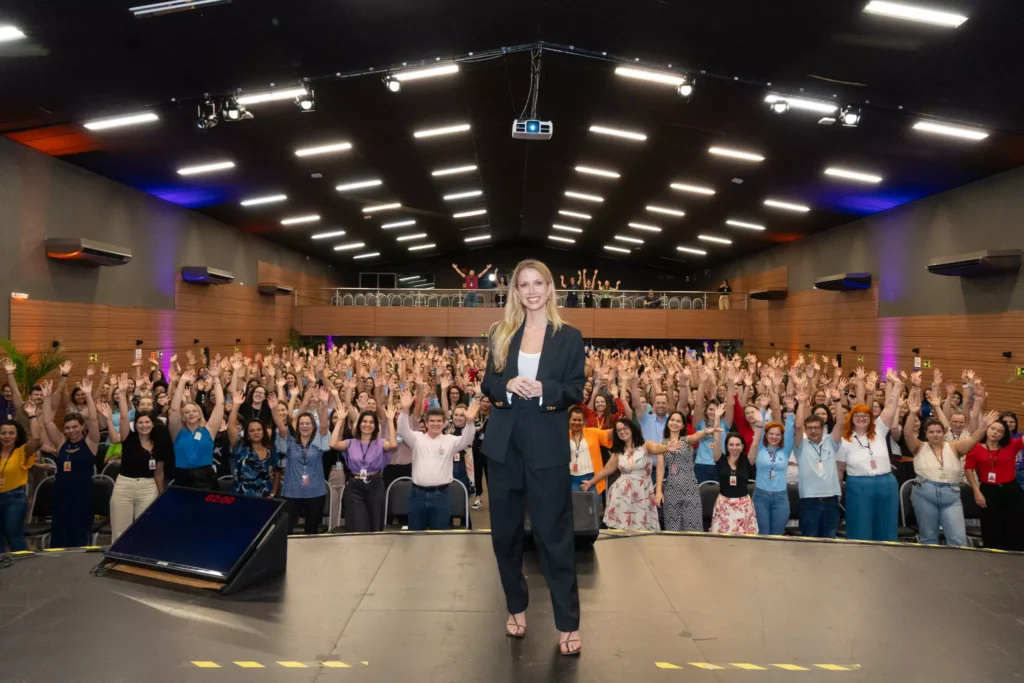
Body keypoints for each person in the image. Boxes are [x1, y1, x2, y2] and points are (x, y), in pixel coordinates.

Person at [479, 258, 586, 656]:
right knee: (505, 535)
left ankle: (568, 623)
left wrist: (544, 390)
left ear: (550, 287)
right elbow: (488, 382)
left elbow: (575, 388)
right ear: (516, 292)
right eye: (523, 284)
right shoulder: (500, 332)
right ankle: (515, 606)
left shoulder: (569, 336)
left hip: (547, 445)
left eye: (537, 283)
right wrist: (507, 385)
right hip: (504, 445)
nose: (531, 291)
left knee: (553, 536)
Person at [904, 398, 995, 547]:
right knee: (928, 537)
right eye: (931, 432)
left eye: (938, 432)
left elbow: (973, 439)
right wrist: (912, 414)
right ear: (925, 434)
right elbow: (908, 435)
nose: (935, 435)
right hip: (924, 494)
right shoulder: (919, 447)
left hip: (951, 495)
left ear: (944, 433)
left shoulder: (954, 447)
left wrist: (984, 427)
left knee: (958, 539)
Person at [396, 388, 478, 530]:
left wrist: (470, 423)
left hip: (441, 496)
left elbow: (467, 440)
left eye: (439, 421)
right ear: (426, 423)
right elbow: (402, 431)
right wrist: (404, 411)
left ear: (444, 423)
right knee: (415, 536)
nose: (435, 424)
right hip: (417, 495)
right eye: (432, 421)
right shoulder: (416, 438)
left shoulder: (450, 440)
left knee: (440, 537)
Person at [836, 370, 903, 542]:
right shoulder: (844, 440)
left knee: (886, 525)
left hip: (886, 483)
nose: (861, 418)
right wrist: (837, 491)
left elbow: (890, 408)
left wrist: (896, 386)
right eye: (857, 415)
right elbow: (839, 469)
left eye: (865, 415)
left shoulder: (879, 429)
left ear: (870, 418)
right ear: (851, 418)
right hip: (859, 486)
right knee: (860, 526)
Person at [582, 418, 680, 531]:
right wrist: (590, 482)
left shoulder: (645, 446)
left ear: (632, 429)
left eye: (625, 428)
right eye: (618, 430)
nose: (622, 432)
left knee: (643, 529)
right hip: (621, 495)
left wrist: (666, 448)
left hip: (642, 494)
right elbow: (605, 470)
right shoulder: (619, 452)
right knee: (622, 530)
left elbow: (656, 448)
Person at [105, 375, 168, 540]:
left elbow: (159, 472)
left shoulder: (158, 444)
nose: (144, 425)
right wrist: (122, 393)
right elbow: (124, 417)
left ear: (153, 424)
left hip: (148, 487)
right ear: (136, 425)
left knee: (146, 528)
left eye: (147, 422)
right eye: (140, 422)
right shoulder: (129, 438)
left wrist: (161, 492)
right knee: (120, 529)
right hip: (124, 486)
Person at [41, 379, 100, 548]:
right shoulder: (61, 442)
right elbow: (47, 422)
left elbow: (93, 420)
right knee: (60, 531)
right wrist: (47, 398)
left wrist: (88, 395)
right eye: (67, 428)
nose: (71, 431)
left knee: (79, 531)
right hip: (61, 493)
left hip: (82, 494)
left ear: (82, 426)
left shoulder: (91, 442)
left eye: (74, 427)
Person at [271, 388, 331, 534]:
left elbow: (324, 425)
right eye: (302, 423)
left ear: (313, 426)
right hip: (292, 492)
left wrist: (324, 404)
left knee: (312, 531)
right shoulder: (290, 442)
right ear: (297, 426)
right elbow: (282, 429)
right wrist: (273, 410)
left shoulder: (318, 441)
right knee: (286, 531)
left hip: (315, 492)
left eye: (308, 423)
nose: (305, 426)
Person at [329, 407, 398, 532]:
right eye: (364, 421)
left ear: (375, 426)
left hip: (375, 485)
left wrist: (390, 420)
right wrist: (340, 421)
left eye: (371, 422)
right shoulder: (350, 443)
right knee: (357, 524)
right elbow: (333, 444)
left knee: (375, 524)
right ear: (359, 424)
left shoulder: (381, 443)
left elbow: (393, 445)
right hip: (355, 486)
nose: (367, 424)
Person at [792, 384, 846, 538]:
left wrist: (837, 401)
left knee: (829, 540)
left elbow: (841, 424)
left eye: (816, 427)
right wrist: (801, 403)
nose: (813, 431)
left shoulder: (830, 442)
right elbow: (797, 426)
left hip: (831, 499)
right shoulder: (800, 445)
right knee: (810, 540)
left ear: (823, 429)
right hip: (809, 500)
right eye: (809, 428)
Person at [964, 416, 1024, 550]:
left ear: (1004, 435)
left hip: (1011, 490)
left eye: (1000, 431)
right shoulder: (975, 448)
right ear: (987, 429)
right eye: (993, 428)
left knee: (1015, 526)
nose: (995, 432)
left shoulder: (1011, 445)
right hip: (988, 490)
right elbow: (968, 469)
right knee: (991, 527)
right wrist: (976, 491)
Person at [169, 368, 225, 490]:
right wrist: (182, 382)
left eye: (194, 411)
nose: (191, 414)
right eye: (187, 412)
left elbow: (220, 405)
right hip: (182, 478)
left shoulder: (209, 430)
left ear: (199, 414)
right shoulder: (177, 431)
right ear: (183, 417)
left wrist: (216, 378)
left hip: (206, 479)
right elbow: (174, 410)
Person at [661, 410, 711, 532]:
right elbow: (660, 468)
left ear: (683, 425)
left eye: (678, 421)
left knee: (693, 527)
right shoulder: (662, 443)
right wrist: (658, 492)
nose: (675, 423)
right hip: (671, 488)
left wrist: (705, 432)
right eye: (672, 420)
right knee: (672, 528)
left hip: (690, 488)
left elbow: (695, 436)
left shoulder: (686, 440)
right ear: (668, 423)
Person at [0, 407, 43, 551]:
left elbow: (36, 439)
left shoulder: (21, 452)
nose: (7, 436)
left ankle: (23, 563)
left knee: (13, 535)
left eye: (11, 433)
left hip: (14, 499)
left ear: (17, 436)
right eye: (3, 433)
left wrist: (32, 415)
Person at [749, 411, 797, 536]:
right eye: (771, 433)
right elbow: (759, 432)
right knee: (763, 534)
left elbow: (790, 433)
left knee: (777, 534)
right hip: (760, 497)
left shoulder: (785, 450)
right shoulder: (760, 448)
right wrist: (762, 410)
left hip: (780, 498)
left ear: (781, 437)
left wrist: (790, 413)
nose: (774, 437)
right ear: (766, 435)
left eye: (777, 434)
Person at [227, 389, 280, 499]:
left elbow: (277, 471)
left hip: (264, 496)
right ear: (247, 433)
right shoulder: (240, 445)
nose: (255, 432)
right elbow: (231, 427)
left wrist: (273, 492)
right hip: (240, 494)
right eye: (251, 431)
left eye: (259, 430)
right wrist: (235, 406)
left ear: (264, 431)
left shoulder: (270, 449)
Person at [709, 411, 756, 534]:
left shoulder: (748, 460)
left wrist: (760, 424)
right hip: (723, 505)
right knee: (722, 540)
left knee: (744, 541)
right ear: (726, 446)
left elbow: (756, 444)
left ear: (742, 446)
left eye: (737, 445)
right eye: (731, 445)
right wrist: (717, 418)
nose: (734, 448)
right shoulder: (720, 459)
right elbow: (716, 440)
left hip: (744, 506)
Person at [567, 406, 612, 494]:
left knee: (594, 503)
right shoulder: (564, 435)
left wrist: (624, 425)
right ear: (569, 420)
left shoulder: (593, 432)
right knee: (576, 503)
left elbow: (610, 434)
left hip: (593, 478)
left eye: (579, 420)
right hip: (572, 478)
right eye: (574, 420)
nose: (576, 422)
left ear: (584, 421)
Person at [471, 394, 491, 510]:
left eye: (488, 402)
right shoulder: (475, 415)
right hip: (476, 448)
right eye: (483, 401)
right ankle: (478, 498)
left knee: (490, 474)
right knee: (477, 474)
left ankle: (493, 499)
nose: (485, 404)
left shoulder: (493, 416)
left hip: (489, 449)